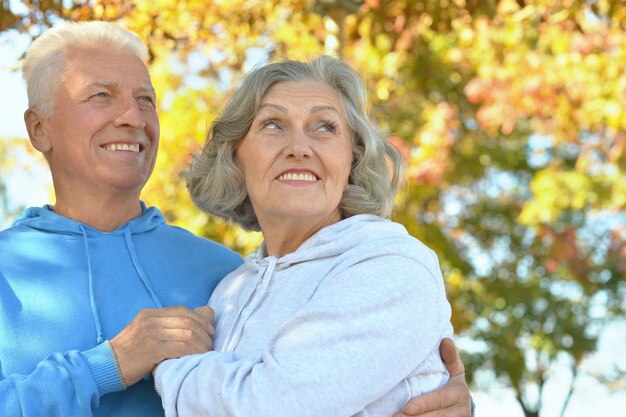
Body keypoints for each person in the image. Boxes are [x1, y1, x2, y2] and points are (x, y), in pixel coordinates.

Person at [0, 21, 473, 417]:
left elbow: (305, 391)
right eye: (101, 95)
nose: (131, 116)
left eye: (145, 100)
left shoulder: (223, 275)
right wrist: (109, 365)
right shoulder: (8, 268)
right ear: (39, 129)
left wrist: (430, 395)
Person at [153, 56, 462, 417]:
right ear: (236, 156)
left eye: (324, 127)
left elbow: (273, 406)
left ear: (353, 158)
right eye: (273, 125)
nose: (299, 147)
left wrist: (168, 366)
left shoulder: (392, 266)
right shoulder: (229, 292)